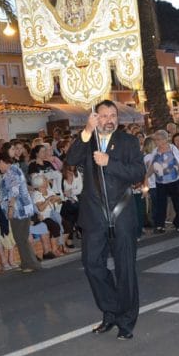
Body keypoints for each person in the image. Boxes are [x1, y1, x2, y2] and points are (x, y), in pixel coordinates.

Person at [64, 100, 145, 340]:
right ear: (95, 118)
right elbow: (71, 159)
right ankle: (111, 311)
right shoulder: (87, 141)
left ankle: (126, 322)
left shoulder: (128, 142)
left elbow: (138, 173)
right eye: (104, 115)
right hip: (94, 216)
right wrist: (87, 131)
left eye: (113, 115)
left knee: (125, 269)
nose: (109, 120)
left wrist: (110, 163)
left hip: (122, 214)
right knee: (92, 265)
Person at [0, 152, 42, 273]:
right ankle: (27, 262)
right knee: (21, 237)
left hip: (18, 210)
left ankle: (30, 264)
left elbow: (14, 192)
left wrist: (10, 208)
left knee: (21, 238)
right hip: (22, 208)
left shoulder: (11, 172)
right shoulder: (15, 170)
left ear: (2, 161)